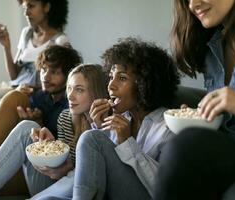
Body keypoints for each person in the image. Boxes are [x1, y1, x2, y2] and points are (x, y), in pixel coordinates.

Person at [153, 0, 235, 200]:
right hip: (233, 154)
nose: (193, 4)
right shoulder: (213, 49)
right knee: (183, 146)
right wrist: (198, 115)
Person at [0, 45, 82, 200]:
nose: (46, 77)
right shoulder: (41, 96)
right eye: (43, 70)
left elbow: (69, 153)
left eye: (54, 72)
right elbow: (7, 110)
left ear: (69, 77)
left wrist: (37, 125)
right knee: (16, 97)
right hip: (24, 163)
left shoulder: (73, 106)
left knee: (28, 126)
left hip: (48, 173)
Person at [0, 64, 108, 200]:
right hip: (57, 185)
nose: (70, 96)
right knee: (27, 127)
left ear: (96, 93)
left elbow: (99, 175)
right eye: (69, 88)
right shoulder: (65, 118)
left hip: (80, 191)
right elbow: (62, 172)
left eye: (79, 90)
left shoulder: (108, 125)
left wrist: (101, 128)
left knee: (74, 177)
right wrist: (51, 149)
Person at [72, 38, 180, 200]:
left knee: (91, 138)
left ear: (146, 84)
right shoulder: (122, 119)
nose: (110, 86)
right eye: (111, 76)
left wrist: (127, 142)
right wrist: (103, 130)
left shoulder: (168, 125)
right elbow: (103, 174)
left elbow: (166, 189)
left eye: (122, 78)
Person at [0, 0, 70, 120]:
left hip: (29, 97)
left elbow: (61, 82)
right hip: (12, 89)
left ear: (47, 6)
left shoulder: (60, 41)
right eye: (25, 7)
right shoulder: (26, 33)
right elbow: (14, 76)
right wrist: (6, 46)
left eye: (31, 6)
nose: (26, 13)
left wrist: (32, 89)